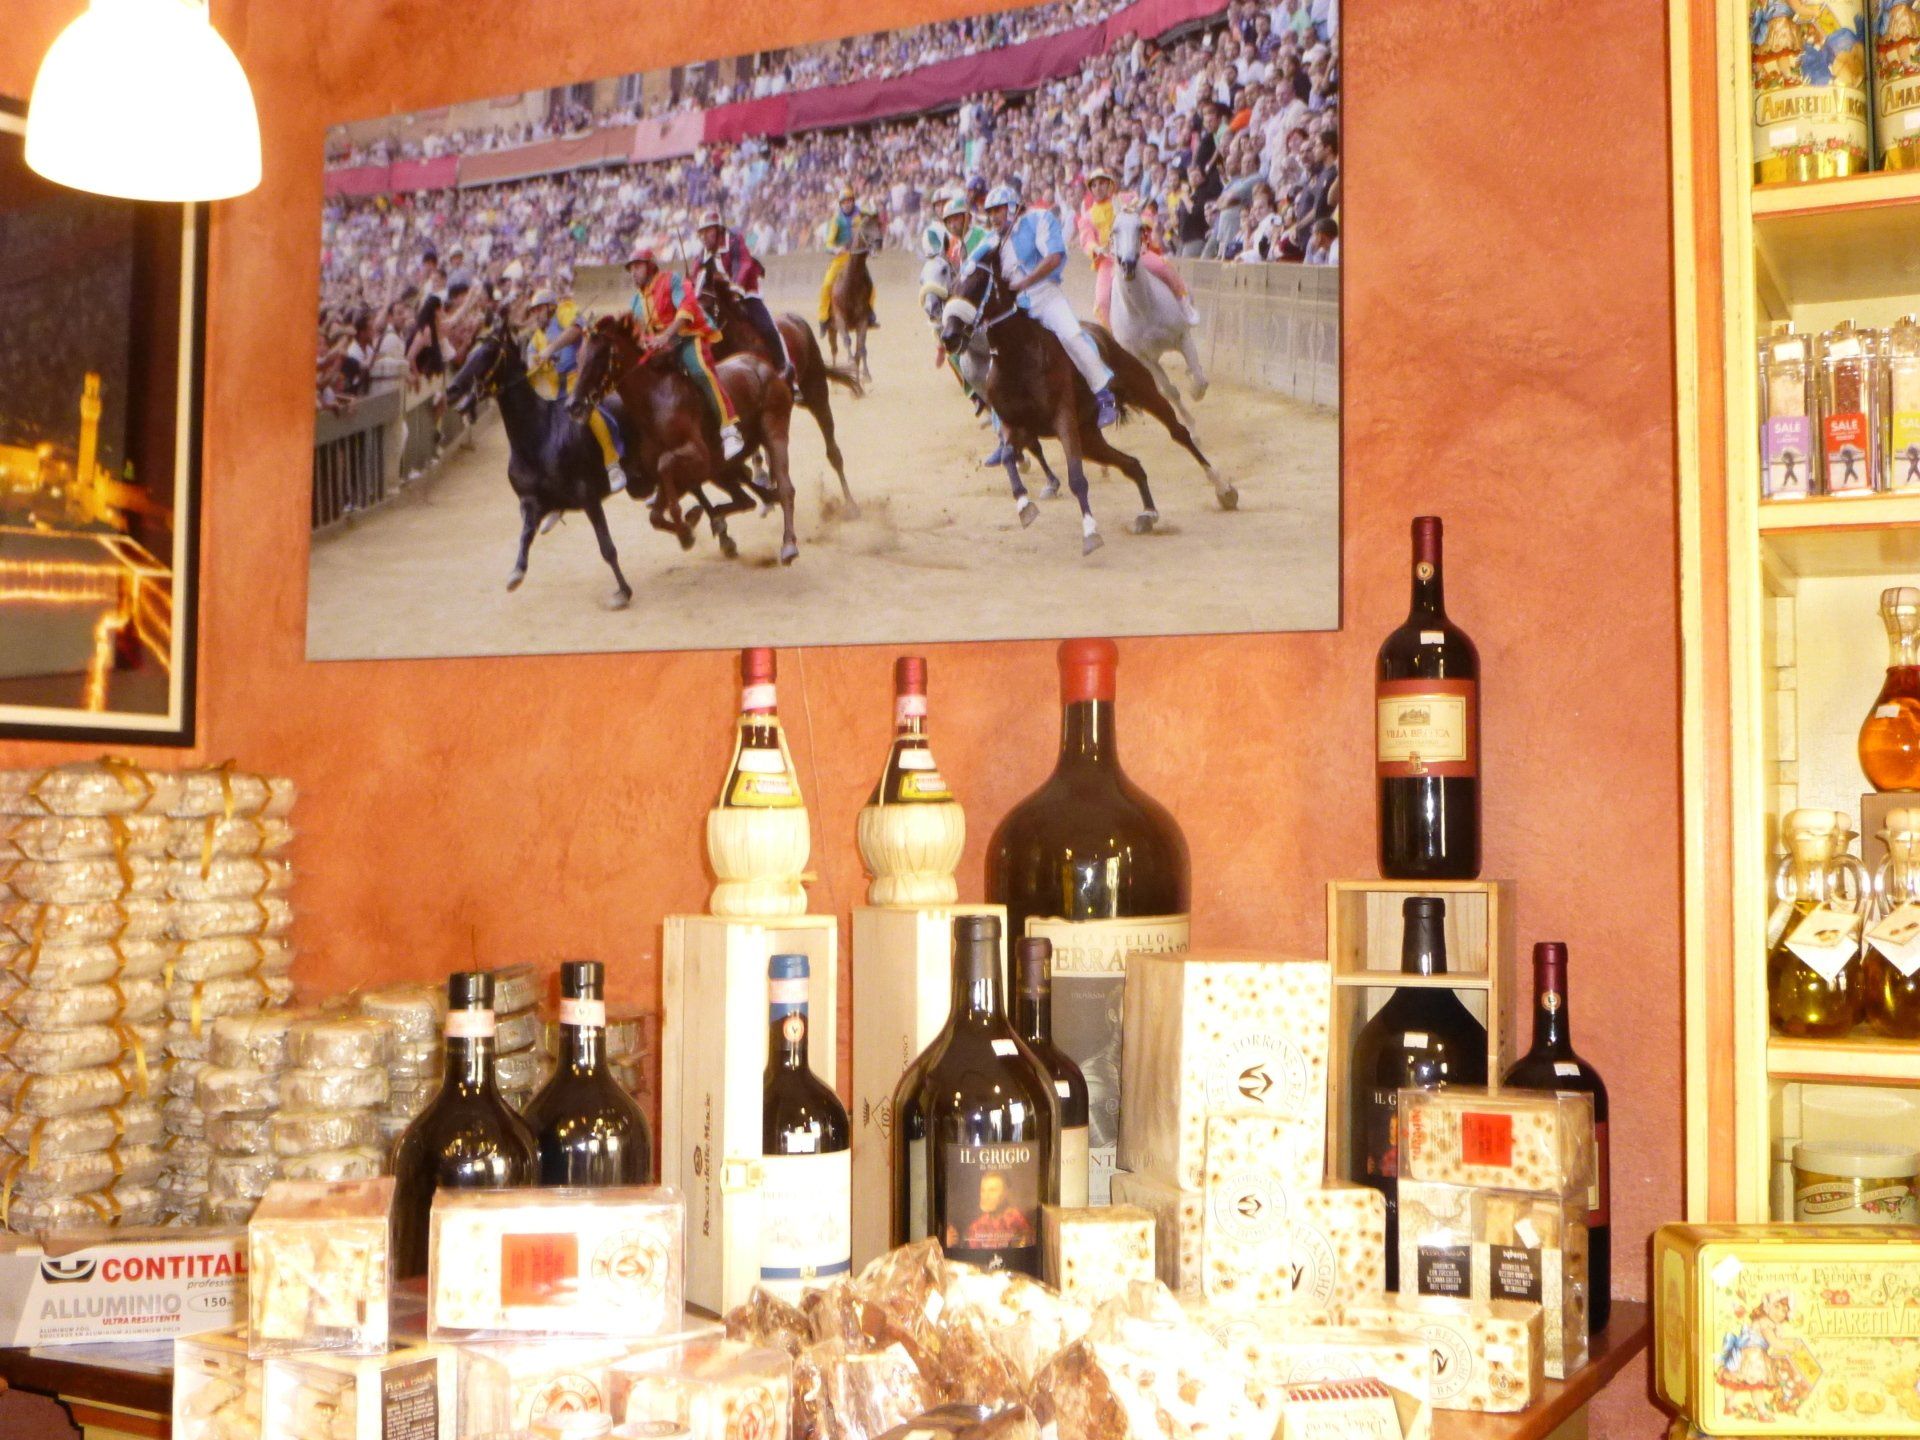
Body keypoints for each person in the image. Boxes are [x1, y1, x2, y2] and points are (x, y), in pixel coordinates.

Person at [981, 184, 1118, 428]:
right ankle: (1002, 429)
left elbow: (1053, 256)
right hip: (1016, 307)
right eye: (990, 212)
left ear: (1012, 208)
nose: (993, 217)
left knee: (1072, 335)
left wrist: (1026, 281)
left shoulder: (1039, 219)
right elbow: (972, 265)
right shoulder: (990, 240)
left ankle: (1104, 396)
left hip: (1045, 295)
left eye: (998, 210)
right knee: (998, 359)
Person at [627, 244, 747, 461]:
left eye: (637, 266)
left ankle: (730, 429)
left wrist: (666, 336)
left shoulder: (670, 281)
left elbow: (685, 310)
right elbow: (639, 333)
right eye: (631, 268)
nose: (633, 272)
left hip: (688, 336)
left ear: (650, 266)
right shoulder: (635, 302)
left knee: (700, 371)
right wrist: (646, 344)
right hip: (661, 350)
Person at [1076, 167, 1198, 328]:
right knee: (1102, 300)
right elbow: (1086, 239)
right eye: (1094, 185)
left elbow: (1146, 209)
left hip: (1134, 251)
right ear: (1090, 189)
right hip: (1108, 260)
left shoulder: (1125, 199)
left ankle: (1183, 303)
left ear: (1109, 184)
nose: (1098, 188)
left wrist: (1145, 224)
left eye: (1102, 183)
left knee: (1161, 266)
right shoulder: (1088, 216)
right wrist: (1096, 248)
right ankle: (1111, 336)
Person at [697, 209, 794, 392]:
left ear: (718, 230)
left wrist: (737, 286)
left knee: (767, 327)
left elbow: (744, 264)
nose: (704, 236)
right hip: (722, 302)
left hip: (746, 294)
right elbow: (696, 276)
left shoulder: (735, 240)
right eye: (701, 233)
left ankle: (785, 367)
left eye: (707, 231)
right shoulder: (703, 253)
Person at [817, 187, 879, 333]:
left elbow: (870, 228)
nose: (847, 204)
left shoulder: (861, 215)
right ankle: (824, 317)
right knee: (826, 285)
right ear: (840, 204)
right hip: (841, 258)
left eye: (850, 201)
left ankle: (869, 313)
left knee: (871, 286)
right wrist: (835, 249)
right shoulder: (836, 220)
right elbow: (828, 244)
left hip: (857, 259)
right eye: (844, 202)